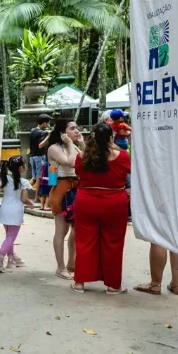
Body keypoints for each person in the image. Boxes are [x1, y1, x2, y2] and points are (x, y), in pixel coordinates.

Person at [71, 123, 131, 294]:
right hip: (114, 202)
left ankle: (80, 283)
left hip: (86, 201)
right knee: (113, 243)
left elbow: (79, 174)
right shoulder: (122, 156)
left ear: (92, 136)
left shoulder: (82, 156)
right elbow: (129, 172)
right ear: (111, 137)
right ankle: (113, 285)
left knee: (84, 241)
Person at [44, 118, 83, 279]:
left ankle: (71, 263)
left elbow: (87, 161)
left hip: (76, 187)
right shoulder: (54, 148)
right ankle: (61, 267)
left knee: (77, 229)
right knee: (62, 230)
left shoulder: (73, 146)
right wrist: (69, 145)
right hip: (62, 189)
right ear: (63, 132)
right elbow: (71, 162)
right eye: (72, 128)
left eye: (77, 127)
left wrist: (80, 144)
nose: (77, 131)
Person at [0, 155, 34, 272]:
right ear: (21, 168)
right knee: (11, 237)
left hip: (4, 211)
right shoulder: (24, 182)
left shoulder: (4, 179)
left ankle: (11, 260)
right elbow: (23, 199)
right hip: (15, 212)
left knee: (9, 237)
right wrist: (30, 203)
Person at [28, 114, 51, 187]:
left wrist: (46, 132)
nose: (49, 124)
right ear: (44, 123)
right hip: (40, 157)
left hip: (32, 157)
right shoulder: (42, 133)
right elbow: (40, 145)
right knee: (40, 177)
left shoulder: (33, 130)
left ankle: (22, 192)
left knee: (34, 178)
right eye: (48, 122)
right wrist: (48, 136)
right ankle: (37, 197)